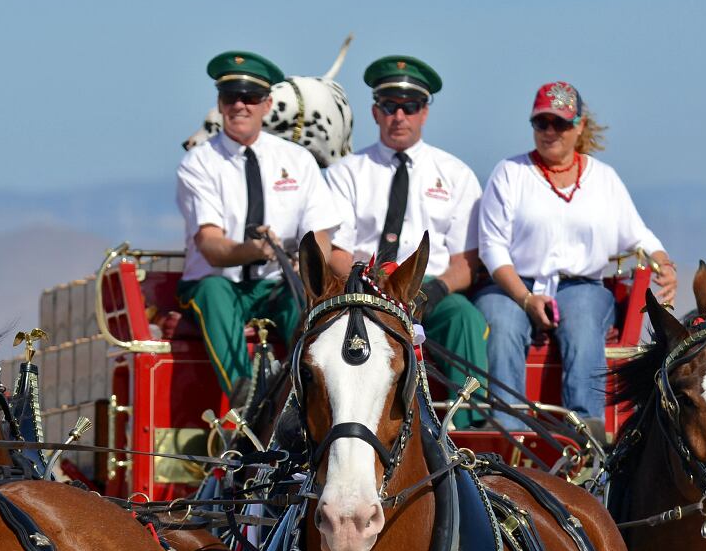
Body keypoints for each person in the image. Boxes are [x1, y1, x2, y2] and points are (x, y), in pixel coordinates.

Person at [473, 81, 677, 430]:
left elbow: (638, 235)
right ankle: (509, 428)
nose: (550, 132)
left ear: (579, 126)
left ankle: (584, 428)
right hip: (513, 284)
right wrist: (525, 299)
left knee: (583, 320)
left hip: (582, 284)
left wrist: (665, 264)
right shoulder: (510, 173)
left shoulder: (604, 180)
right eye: (542, 123)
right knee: (502, 322)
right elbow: (492, 248)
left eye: (561, 124)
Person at [175, 50, 351, 408]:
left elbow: (318, 233)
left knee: (309, 303)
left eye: (251, 98)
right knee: (213, 291)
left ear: (267, 105)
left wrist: (309, 264)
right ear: (220, 103)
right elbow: (211, 246)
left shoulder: (297, 160)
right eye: (231, 97)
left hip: (277, 282)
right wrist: (255, 249)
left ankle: (317, 398)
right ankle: (246, 399)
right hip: (222, 284)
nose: (240, 105)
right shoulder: (198, 163)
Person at [322, 55, 487, 419]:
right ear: (375, 112)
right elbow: (336, 252)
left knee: (465, 318)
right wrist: (371, 283)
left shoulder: (456, 174)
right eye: (389, 106)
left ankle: (469, 427)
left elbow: (466, 261)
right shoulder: (346, 174)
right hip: (362, 289)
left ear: (424, 112)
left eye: (410, 107)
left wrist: (438, 290)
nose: (399, 116)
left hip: (430, 291)